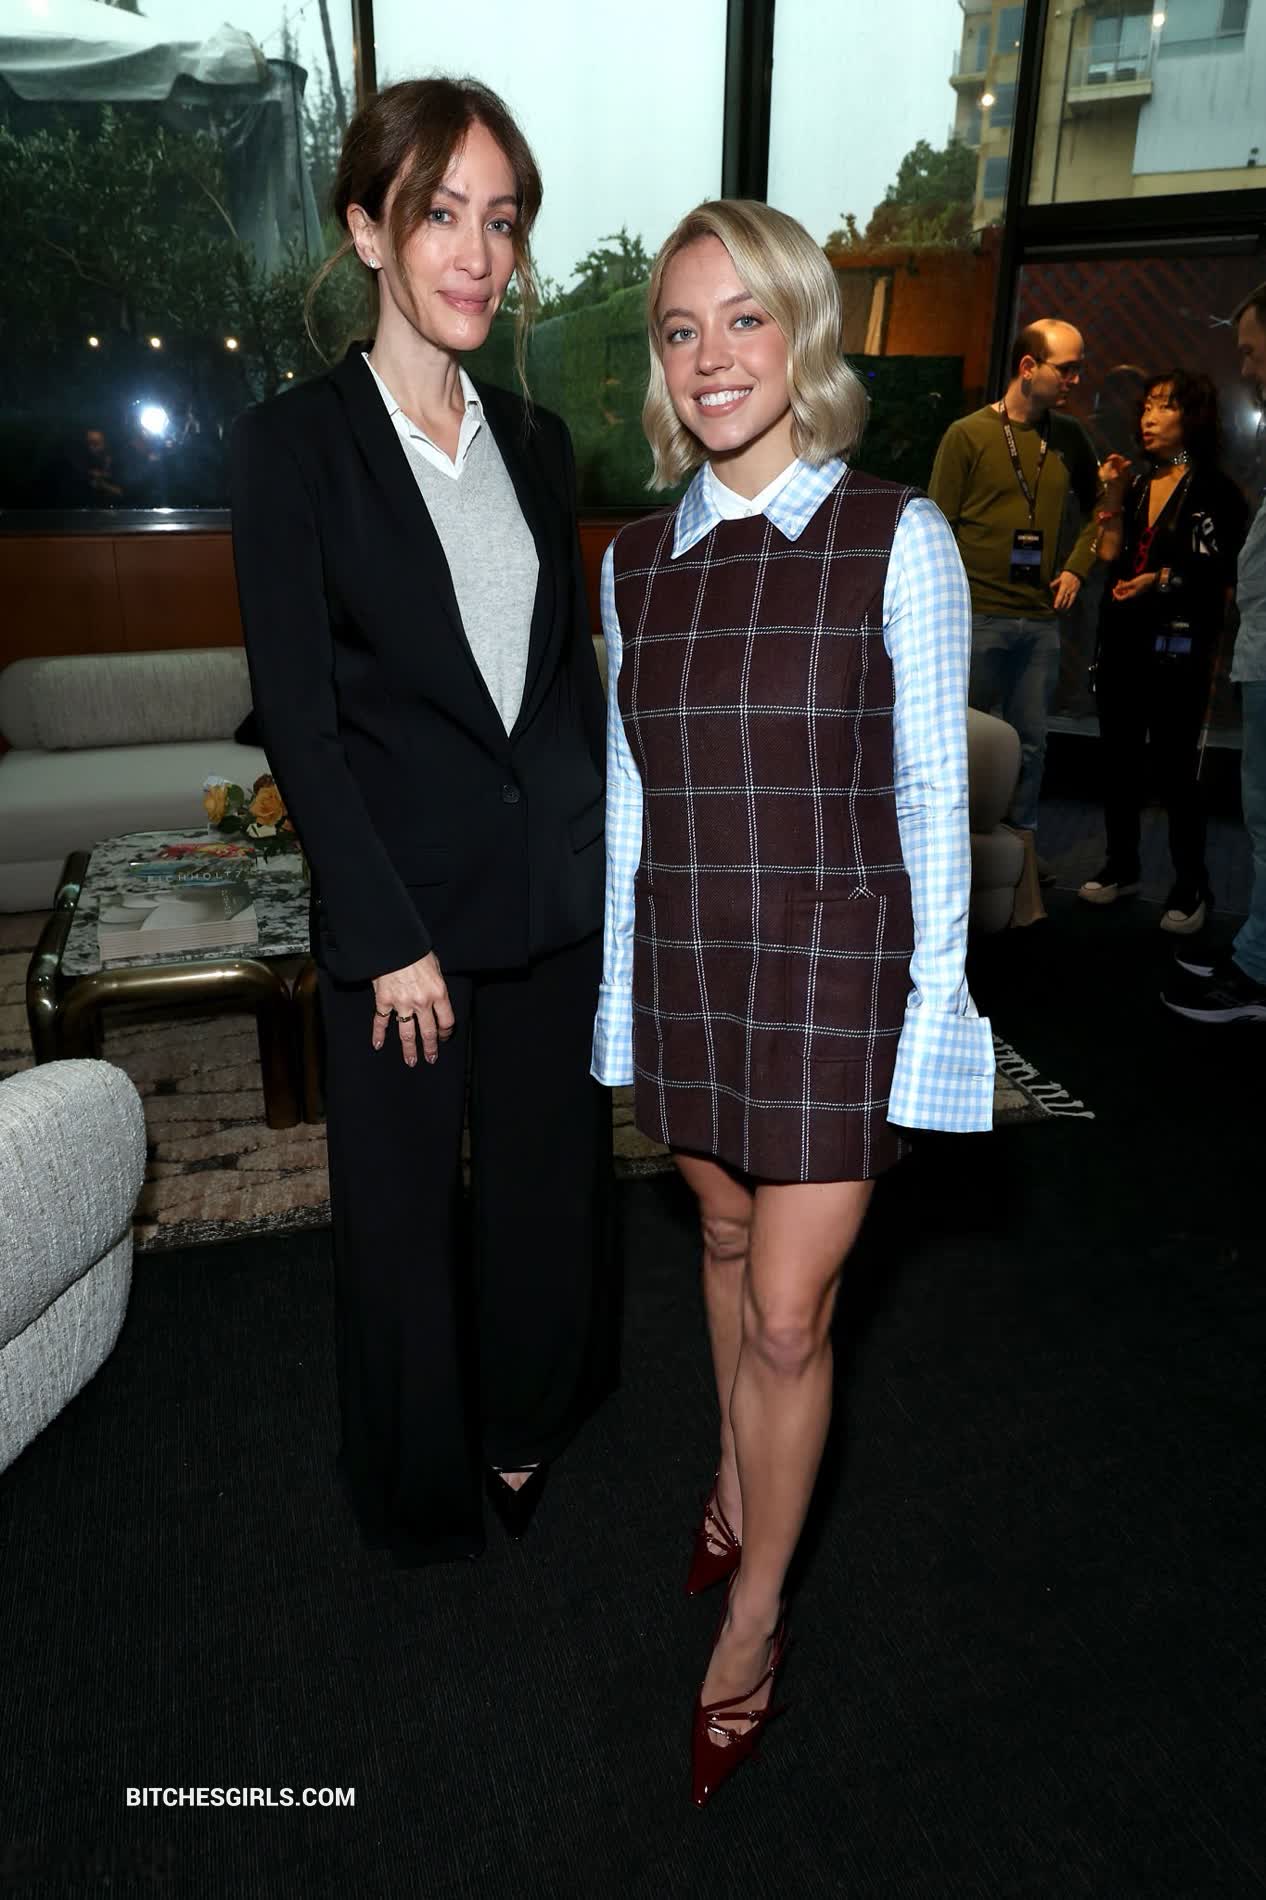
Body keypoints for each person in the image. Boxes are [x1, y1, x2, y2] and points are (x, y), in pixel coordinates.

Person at [591, 200, 993, 1806]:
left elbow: (932, 799)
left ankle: (754, 1621)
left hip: (835, 964)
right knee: (718, 1238)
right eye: (679, 329)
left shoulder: (897, 534)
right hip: (688, 956)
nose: (710, 357)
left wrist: (936, 1018)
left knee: (783, 1311)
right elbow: (629, 801)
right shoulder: (631, 563)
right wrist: (617, 1005)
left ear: (802, 332)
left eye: (743, 318)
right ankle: (731, 1474)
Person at [230, 78, 611, 1564]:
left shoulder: (538, 441)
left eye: (501, 221)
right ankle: (415, 1480)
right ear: (368, 231)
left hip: (546, 902)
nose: (476, 252)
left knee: (545, 1188)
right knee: (396, 1220)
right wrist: (383, 933)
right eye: (440, 213)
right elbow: (301, 723)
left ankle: (527, 1420)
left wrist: (601, 870)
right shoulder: (290, 448)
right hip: (401, 928)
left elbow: (560, 686)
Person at [928, 318, 1101, 902]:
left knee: (1031, 742)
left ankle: (1022, 852)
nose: (1075, 379)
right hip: (978, 616)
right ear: (1028, 368)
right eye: (1066, 368)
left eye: (1079, 368)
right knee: (966, 739)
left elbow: (1103, 512)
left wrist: (1077, 566)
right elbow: (938, 524)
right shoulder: (968, 435)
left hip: (1040, 621)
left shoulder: (1070, 437)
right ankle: (955, 849)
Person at [1078, 371, 1248, 933]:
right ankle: (1121, 865)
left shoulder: (1216, 491)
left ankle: (1191, 884)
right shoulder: (1139, 482)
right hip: (1124, 640)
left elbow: (1223, 573)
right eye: (1147, 406)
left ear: (1192, 418)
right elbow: (1109, 555)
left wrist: (1162, 579)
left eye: (1165, 407)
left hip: (1180, 645)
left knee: (1177, 768)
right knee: (1119, 761)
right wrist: (1111, 493)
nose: (1149, 418)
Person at [1163, 284, 1266, 1021]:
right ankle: (1255, 947)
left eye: (1253, 351)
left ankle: (1254, 973)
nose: (1248, 368)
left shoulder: (1219, 490)